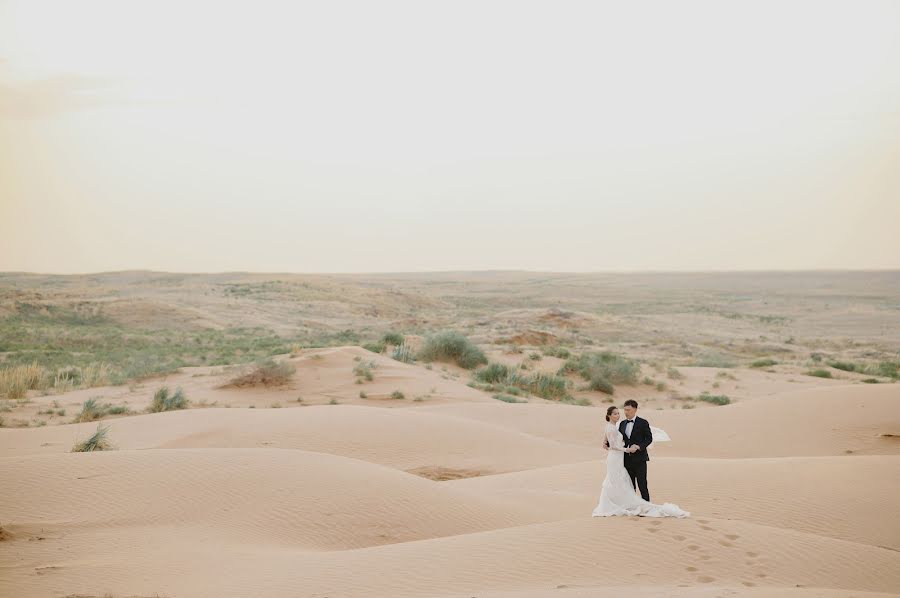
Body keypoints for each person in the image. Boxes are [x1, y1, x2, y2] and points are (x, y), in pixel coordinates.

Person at [592, 404, 689, 518]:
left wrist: (638, 447)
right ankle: (629, 505)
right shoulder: (621, 424)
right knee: (628, 483)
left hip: (639, 459)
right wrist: (610, 444)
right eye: (623, 411)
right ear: (609, 415)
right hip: (624, 459)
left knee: (642, 483)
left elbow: (649, 439)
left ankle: (646, 507)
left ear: (635, 410)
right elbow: (612, 439)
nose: (624, 413)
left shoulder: (642, 422)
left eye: (627, 410)